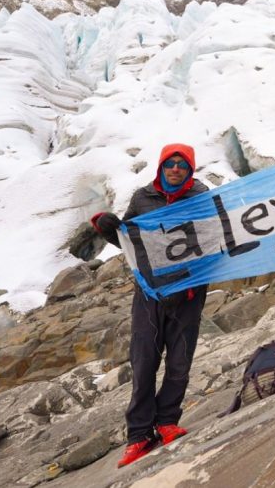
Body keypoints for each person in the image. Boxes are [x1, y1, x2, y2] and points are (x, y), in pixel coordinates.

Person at [91, 143, 209, 468]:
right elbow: (129, 238)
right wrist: (109, 228)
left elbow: (216, 236)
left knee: (179, 362)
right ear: (161, 167)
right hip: (149, 292)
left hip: (187, 293)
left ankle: (167, 421)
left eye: (181, 165)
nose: (175, 169)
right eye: (170, 164)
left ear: (190, 170)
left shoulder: (200, 197)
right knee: (143, 363)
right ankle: (140, 435)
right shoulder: (143, 198)